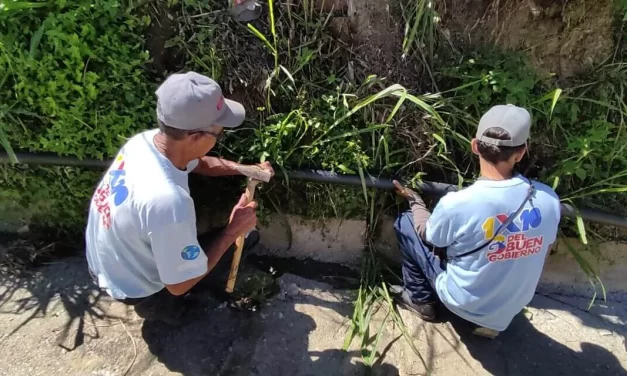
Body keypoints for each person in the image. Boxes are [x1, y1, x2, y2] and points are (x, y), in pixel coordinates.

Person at [85, 71, 273, 324]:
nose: (220, 138)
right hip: (134, 287)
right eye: (220, 133)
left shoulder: (143, 143)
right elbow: (178, 284)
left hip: (108, 264)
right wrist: (233, 230)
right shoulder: (168, 202)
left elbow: (199, 161)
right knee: (242, 241)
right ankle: (159, 309)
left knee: (208, 244)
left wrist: (243, 169)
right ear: (195, 137)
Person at [392, 104, 561, 337]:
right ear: (521, 153)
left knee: (406, 222)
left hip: (462, 301)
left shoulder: (459, 202)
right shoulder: (548, 198)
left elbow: (427, 235)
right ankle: (491, 321)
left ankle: (421, 300)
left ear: (474, 146)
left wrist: (415, 201)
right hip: (512, 304)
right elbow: (546, 248)